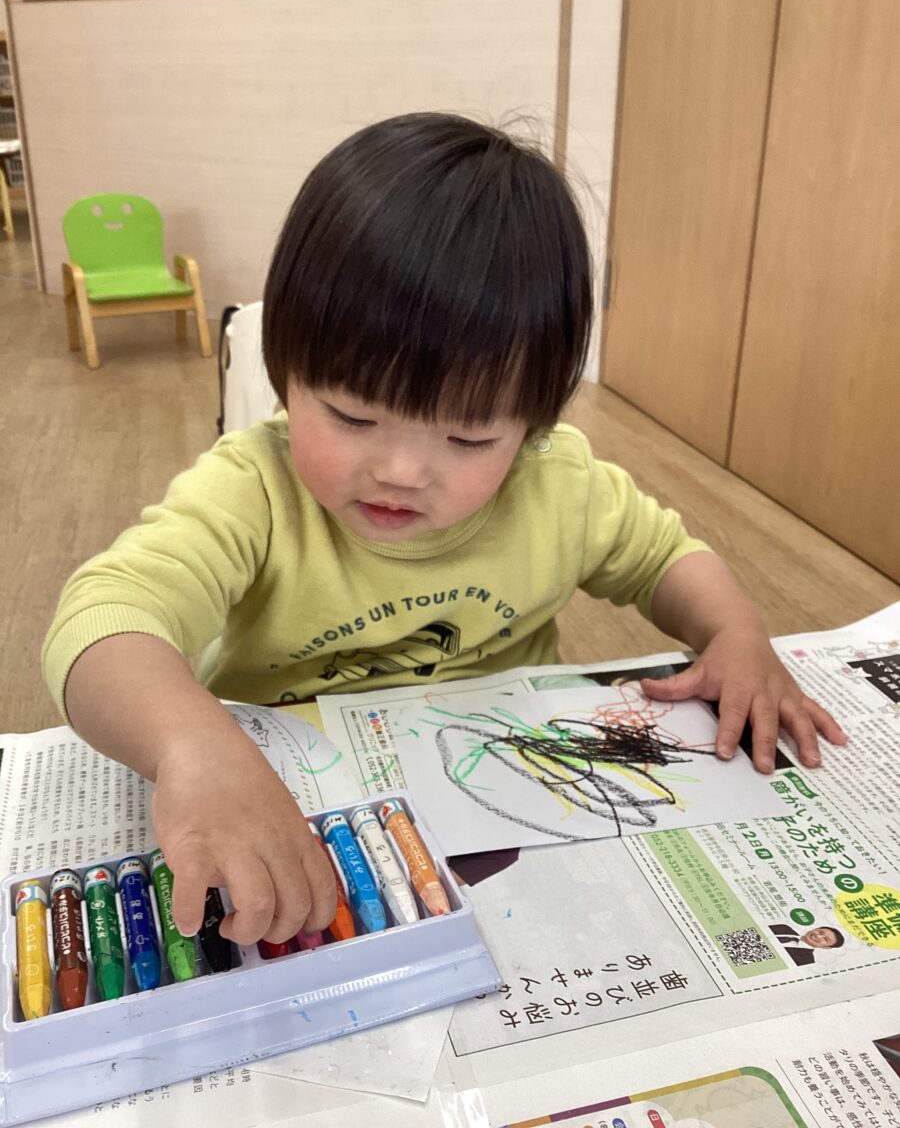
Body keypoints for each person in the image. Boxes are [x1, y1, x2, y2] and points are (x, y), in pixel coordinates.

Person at [42, 113, 847, 949]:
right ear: (287, 376)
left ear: (532, 425)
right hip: (293, 809)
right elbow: (102, 619)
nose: (400, 470)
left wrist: (734, 631)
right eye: (352, 416)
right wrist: (192, 749)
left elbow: (664, 559)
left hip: (509, 791)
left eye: (468, 438)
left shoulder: (557, 485)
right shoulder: (256, 491)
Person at [769, 923, 845, 966]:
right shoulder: (783, 928)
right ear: (814, 929)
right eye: (820, 932)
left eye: (825, 939)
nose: (818, 936)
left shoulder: (806, 961)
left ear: (826, 947)